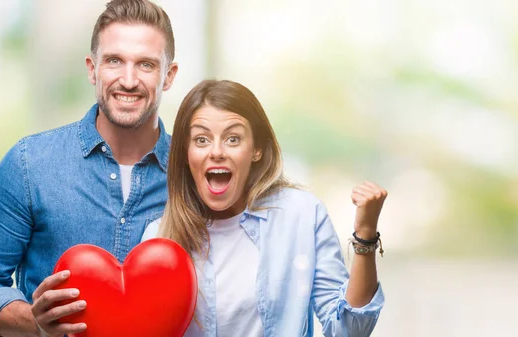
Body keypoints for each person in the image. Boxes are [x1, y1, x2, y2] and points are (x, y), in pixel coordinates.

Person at [0, 1, 178, 336]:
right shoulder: (29, 163)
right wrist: (33, 320)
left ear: (168, 76)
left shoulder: (191, 173)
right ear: (92, 69)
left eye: (146, 64)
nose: (128, 79)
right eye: (114, 61)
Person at [142, 79, 387, 337]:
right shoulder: (158, 239)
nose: (216, 152)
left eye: (233, 139)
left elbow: (348, 331)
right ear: (185, 152)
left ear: (256, 149)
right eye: (201, 140)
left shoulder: (302, 215)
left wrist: (366, 236)